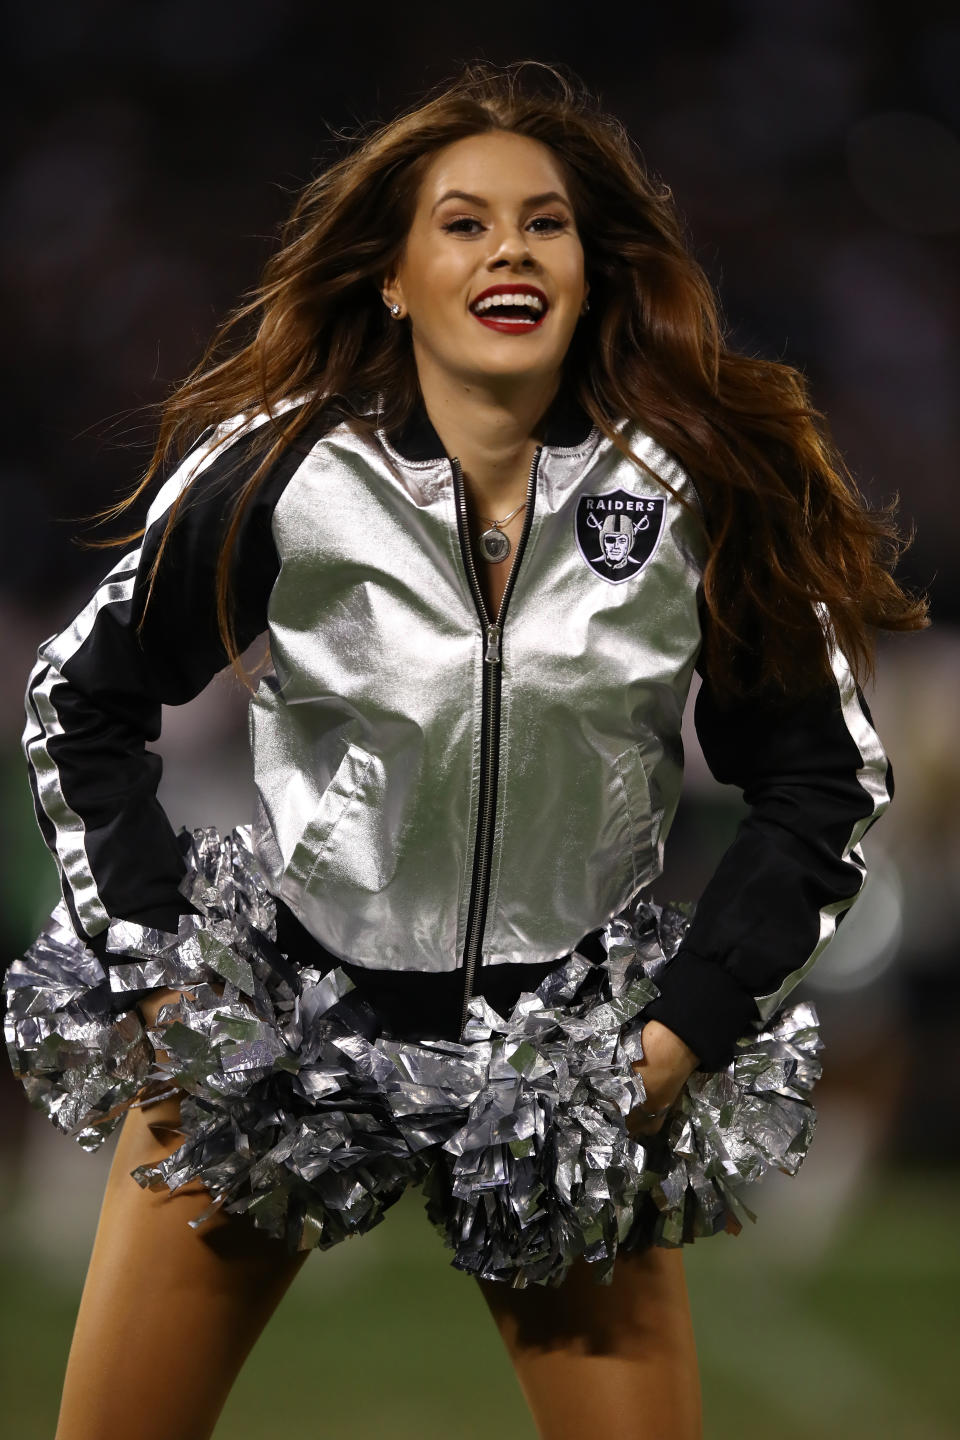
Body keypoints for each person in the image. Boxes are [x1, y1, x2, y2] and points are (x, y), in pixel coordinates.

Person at [4, 60, 926, 1440]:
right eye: (464, 221)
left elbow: (822, 776)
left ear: (591, 269)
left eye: (545, 222)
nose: (509, 248)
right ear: (392, 276)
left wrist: (682, 1028)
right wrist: (153, 978)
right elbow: (81, 698)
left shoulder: (681, 495)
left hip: (565, 1057)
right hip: (282, 1026)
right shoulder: (285, 473)